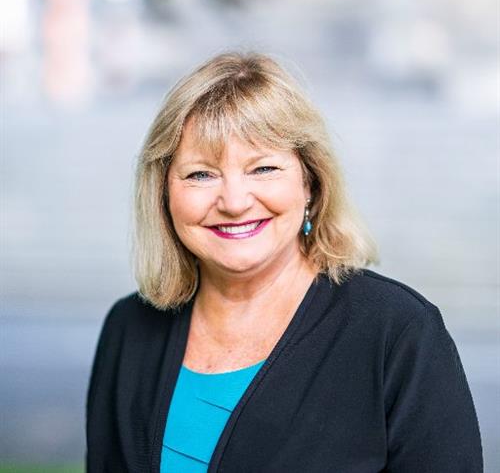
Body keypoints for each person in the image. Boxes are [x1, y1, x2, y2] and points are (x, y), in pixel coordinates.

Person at [86, 52, 483, 472]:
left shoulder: (398, 334)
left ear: (310, 182)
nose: (234, 202)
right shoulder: (128, 328)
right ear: (164, 193)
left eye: (263, 168)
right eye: (201, 174)